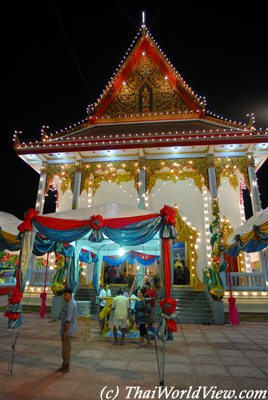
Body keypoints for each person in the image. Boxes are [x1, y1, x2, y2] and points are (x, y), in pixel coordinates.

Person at [58, 288, 78, 372]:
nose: (64, 296)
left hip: (68, 330)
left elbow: (68, 320)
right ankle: (65, 364)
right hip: (69, 329)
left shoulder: (70, 304)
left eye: (66, 295)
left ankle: (66, 365)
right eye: (64, 295)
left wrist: (65, 332)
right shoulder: (71, 303)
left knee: (65, 349)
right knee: (67, 348)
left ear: (70, 294)